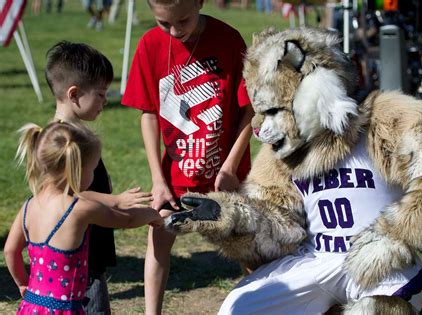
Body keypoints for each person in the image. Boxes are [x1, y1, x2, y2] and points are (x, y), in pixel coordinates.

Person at [121, 0, 254, 312]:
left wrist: (232, 166)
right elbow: (149, 114)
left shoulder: (229, 39)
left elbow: (250, 110)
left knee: (250, 252)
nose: (174, 31)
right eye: (163, 23)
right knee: (158, 245)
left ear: (200, 2)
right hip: (174, 178)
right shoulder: (150, 45)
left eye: (183, 21)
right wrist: (158, 180)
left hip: (226, 177)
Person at [3, 121, 163, 314]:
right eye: (93, 168)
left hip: (31, 305)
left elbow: (11, 251)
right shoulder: (80, 209)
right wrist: (153, 215)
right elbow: (126, 219)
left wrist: (22, 283)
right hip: (64, 309)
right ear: (76, 169)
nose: (94, 174)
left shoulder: (28, 206)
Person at [45, 40, 154, 314]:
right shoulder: (65, 142)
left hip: (86, 250)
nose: (105, 101)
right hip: (81, 256)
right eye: (101, 94)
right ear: (74, 93)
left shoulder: (64, 135)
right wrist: (115, 200)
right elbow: (68, 196)